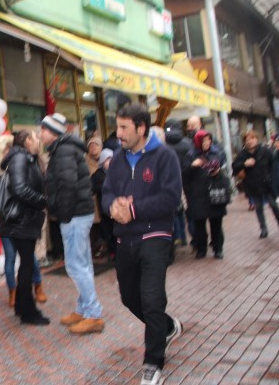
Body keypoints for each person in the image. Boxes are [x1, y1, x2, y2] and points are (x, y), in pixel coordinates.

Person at [101, 104, 183, 385]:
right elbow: (107, 193)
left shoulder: (165, 157)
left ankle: (153, 362)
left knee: (151, 299)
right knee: (129, 298)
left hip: (155, 236)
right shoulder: (117, 160)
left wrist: (134, 210)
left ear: (141, 128)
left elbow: (171, 197)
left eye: (124, 127)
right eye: (118, 126)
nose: (118, 133)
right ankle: (167, 326)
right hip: (125, 239)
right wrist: (113, 206)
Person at [40, 113, 104, 335]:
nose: (41, 133)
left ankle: (93, 314)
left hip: (74, 214)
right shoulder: (64, 148)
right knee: (82, 264)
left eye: (44, 129)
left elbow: (67, 185)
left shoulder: (64, 150)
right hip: (77, 213)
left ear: (54, 131)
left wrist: (63, 214)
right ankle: (84, 308)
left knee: (76, 265)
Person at [0, 135, 47, 308]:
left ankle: (38, 286)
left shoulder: (21, 165)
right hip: (5, 223)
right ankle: (12, 292)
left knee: (29, 257)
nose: (10, 152)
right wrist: (1, 207)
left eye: (11, 148)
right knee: (10, 258)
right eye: (6, 149)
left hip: (22, 220)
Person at [0, 130, 49, 325]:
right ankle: (28, 312)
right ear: (28, 140)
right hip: (21, 220)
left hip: (24, 220)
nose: (38, 141)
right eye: (35, 138)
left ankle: (22, 307)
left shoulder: (26, 158)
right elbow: (19, 188)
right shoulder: (20, 158)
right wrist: (42, 201)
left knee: (26, 264)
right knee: (27, 265)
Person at [232, 130, 279, 239]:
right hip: (252, 184)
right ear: (244, 142)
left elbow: (274, 164)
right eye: (247, 139)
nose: (250, 141)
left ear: (256, 139)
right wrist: (244, 164)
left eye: (252, 138)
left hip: (267, 184)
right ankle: (263, 229)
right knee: (258, 207)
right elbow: (234, 167)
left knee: (273, 205)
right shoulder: (243, 154)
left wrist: (274, 179)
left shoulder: (265, 150)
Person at [183, 130, 228, 259]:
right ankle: (201, 249)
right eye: (204, 141)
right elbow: (184, 173)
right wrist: (192, 166)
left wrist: (218, 170)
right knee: (199, 224)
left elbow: (224, 166)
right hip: (197, 194)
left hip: (215, 191)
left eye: (208, 140)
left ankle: (218, 248)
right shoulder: (191, 154)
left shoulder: (217, 152)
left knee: (216, 223)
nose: (207, 143)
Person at [164, 119, 192, 247]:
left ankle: (178, 237)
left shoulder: (163, 145)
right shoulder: (187, 143)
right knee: (189, 211)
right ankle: (193, 238)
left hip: (170, 181)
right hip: (187, 181)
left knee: (175, 211)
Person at [91, 149, 116, 262]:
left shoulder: (117, 172)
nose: (110, 162)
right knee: (108, 232)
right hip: (104, 209)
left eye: (111, 159)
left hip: (116, 207)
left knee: (117, 232)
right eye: (107, 159)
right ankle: (112, 251)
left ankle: (118, 251)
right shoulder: (98, 175)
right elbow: (92, 189)